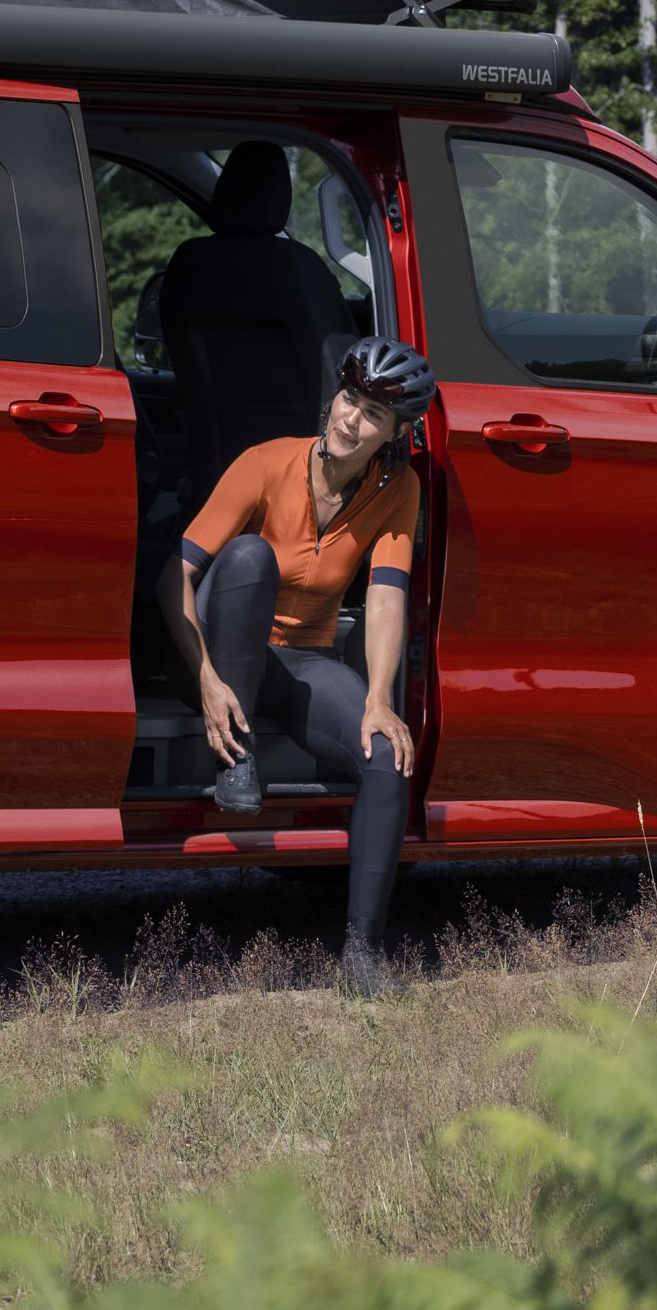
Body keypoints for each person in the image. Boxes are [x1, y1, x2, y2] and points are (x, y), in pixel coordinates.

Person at [159, 335, 435, 997]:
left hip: (301, 661)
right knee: (251, 557)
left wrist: (377, 697)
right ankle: (237, 753)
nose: (350, 419)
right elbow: (175, 574)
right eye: (347, 399)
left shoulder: (398, 489)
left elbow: (386, 596)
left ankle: (361, 956)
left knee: (385, 751)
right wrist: (205, 676)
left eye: (371, 414)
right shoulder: (266, 462)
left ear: (395, 432)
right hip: (217, 656)